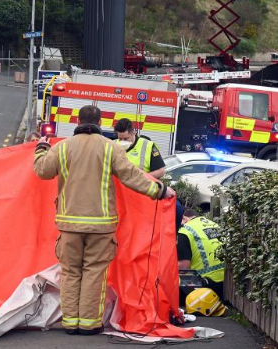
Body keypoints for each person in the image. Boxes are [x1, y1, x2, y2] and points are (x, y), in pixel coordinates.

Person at [34, 105, 175, 335]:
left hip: (69, 225)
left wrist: (41, 147)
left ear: (78, 121)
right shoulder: (111, 149)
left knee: (70, 272)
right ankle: (89, 325)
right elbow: (132, 176)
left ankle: (70, 323)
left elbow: (42, 170)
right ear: (100, 123)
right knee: (93, 272)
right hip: (101, 226)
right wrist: (159, 191)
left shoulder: (62, 148)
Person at [177, 209, 224, 300]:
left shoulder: (184, 232)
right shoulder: (214, 225)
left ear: (184, 219)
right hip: (227, 285)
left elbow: (182, 267)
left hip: (205, 287)